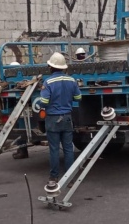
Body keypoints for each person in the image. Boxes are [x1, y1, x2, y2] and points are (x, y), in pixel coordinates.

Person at [39, 52, 82, 188]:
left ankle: (54, 177)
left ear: (51, 67)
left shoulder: (48, 82)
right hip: (67, 117)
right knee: (69, 148)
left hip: (52, 119)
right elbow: (78, 98)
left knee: (54, 149)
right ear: (63, 67)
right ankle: (70, 178)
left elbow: (44, 102)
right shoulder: (72, 80)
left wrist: (41, 103)